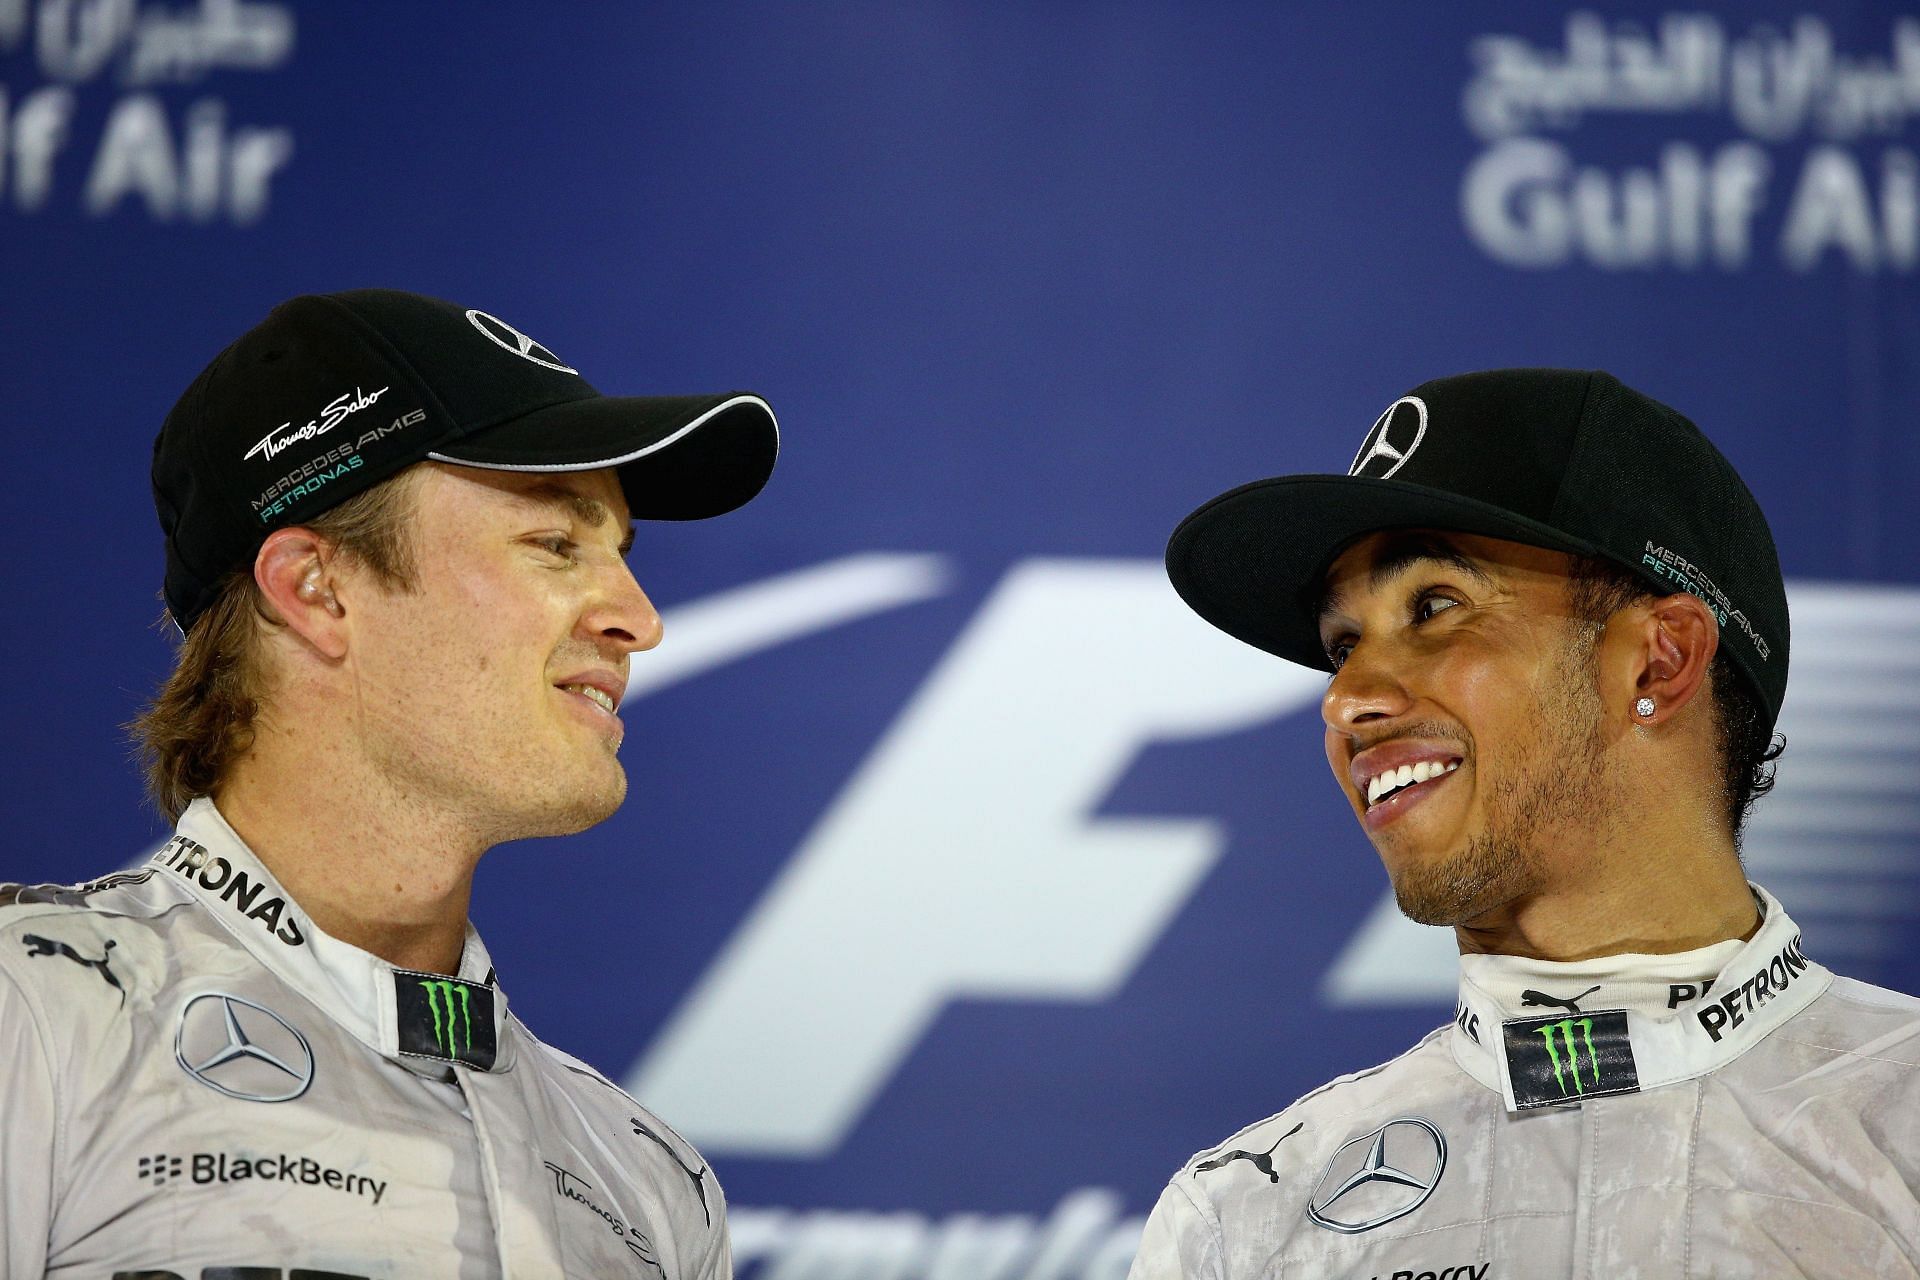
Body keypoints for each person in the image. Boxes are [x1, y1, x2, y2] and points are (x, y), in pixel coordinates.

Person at [0, 289, 779, 1277]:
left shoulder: (646, 1181)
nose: (640, 617)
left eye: (621, 553)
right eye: (557, 543)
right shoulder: (30, 1017)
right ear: (317, 589)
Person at [1130, 369, 1920, 1277]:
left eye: (1432, 607)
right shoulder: (1245, 1227)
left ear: (1658, 663)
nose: (1346, 700)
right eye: (1342, 646)